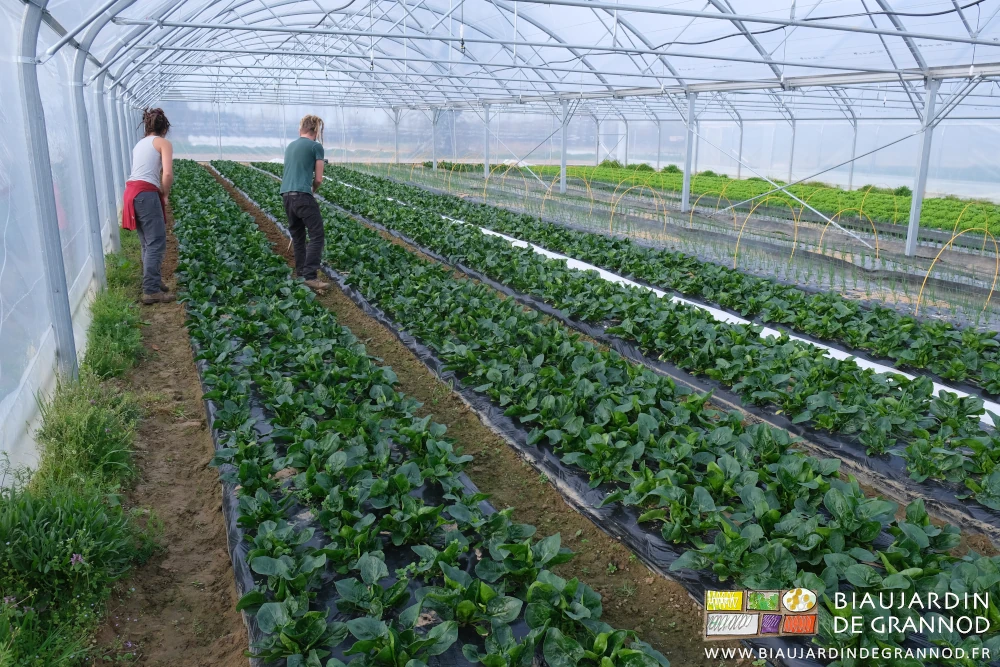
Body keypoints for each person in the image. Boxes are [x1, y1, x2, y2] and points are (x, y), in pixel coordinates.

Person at [122, 108, 174, 305]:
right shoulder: (163, 143)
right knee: (156, 242)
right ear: (165, 128)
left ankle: (153, 280)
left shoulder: (140, 144)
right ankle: (151, 290)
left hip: (132, 193)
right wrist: (165, 194)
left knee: (147, 242)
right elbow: (167, 174)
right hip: (146, 193)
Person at [280, 115, 329, 291]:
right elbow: (318, 179)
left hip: (286, 195)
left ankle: (301, 274)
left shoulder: (291, 146)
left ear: (302, 129)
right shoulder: (316, 147)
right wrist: (312, 192)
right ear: (315, 131)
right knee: (317, 235)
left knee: (298, 237)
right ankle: (310, 276)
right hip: (302, 195)